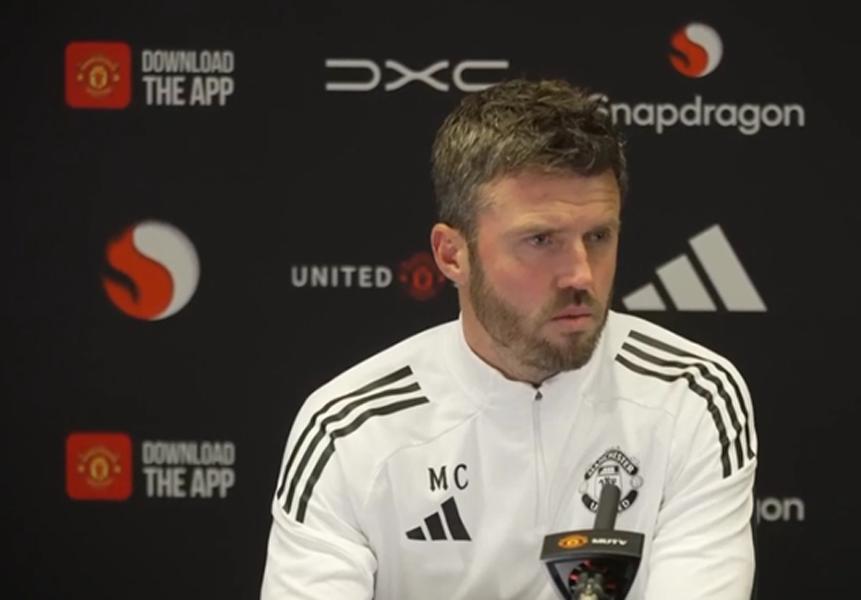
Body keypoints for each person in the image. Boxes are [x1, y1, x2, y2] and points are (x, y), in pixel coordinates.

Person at [260, 78, 757, 599]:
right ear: (452, 254)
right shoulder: (349, 430)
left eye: (598, 236)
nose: (581, 274)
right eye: (541, 240)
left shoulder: (692, 396)